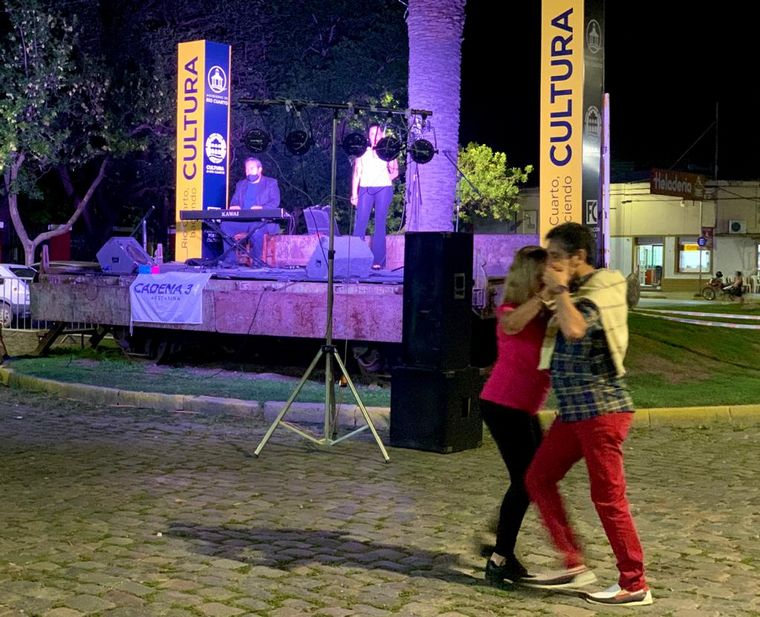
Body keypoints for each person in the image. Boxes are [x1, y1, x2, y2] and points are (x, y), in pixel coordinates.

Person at [523, 222, 653, 607]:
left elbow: (577, 329)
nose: (550, 263)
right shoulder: (575, 291)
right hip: (574, 411)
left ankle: (635, 583)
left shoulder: (602, 289)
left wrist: (560, 290)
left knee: (608, 498)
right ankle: (574, 563)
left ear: (579, 257)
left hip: (602, 411)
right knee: (539, 478)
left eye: (557, 257)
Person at [479, 246, 551, 586]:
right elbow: (511, 325)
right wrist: (544, 297)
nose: (547, 280)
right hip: (502, 405)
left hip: (525, 407)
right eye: (542, 275)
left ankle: (497, 535)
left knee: (537, 479)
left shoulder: (545, 315)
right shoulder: (509, 309)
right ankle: (499, 557)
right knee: (525, 481)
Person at [350, 124, 399, 270]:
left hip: (383, 188)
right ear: (368, 136)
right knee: (361, 222)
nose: (375, 136)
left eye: (377, 133)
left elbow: (395, 172)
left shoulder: (387, 150)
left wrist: (384, 179)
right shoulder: (362, 151)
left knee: (379, 223)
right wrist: (354, 193)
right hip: (365, 188)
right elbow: (357, 173)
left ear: (382, 135)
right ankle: (355, 259)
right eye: (372, 133)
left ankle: (378, 261)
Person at [221, 157, 281, 266]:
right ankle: (230, 261)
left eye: (251, 168)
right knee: (225, 226)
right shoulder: (241, 184)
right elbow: (234, 201)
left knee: (256, 229)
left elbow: (275, 202)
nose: (248, 172)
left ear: (259, 169)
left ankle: (257, 262)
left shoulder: (271, 183)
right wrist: (235, 206)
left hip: (262, 221)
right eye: (246, 169)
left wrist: (261, 208)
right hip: (243, 221)